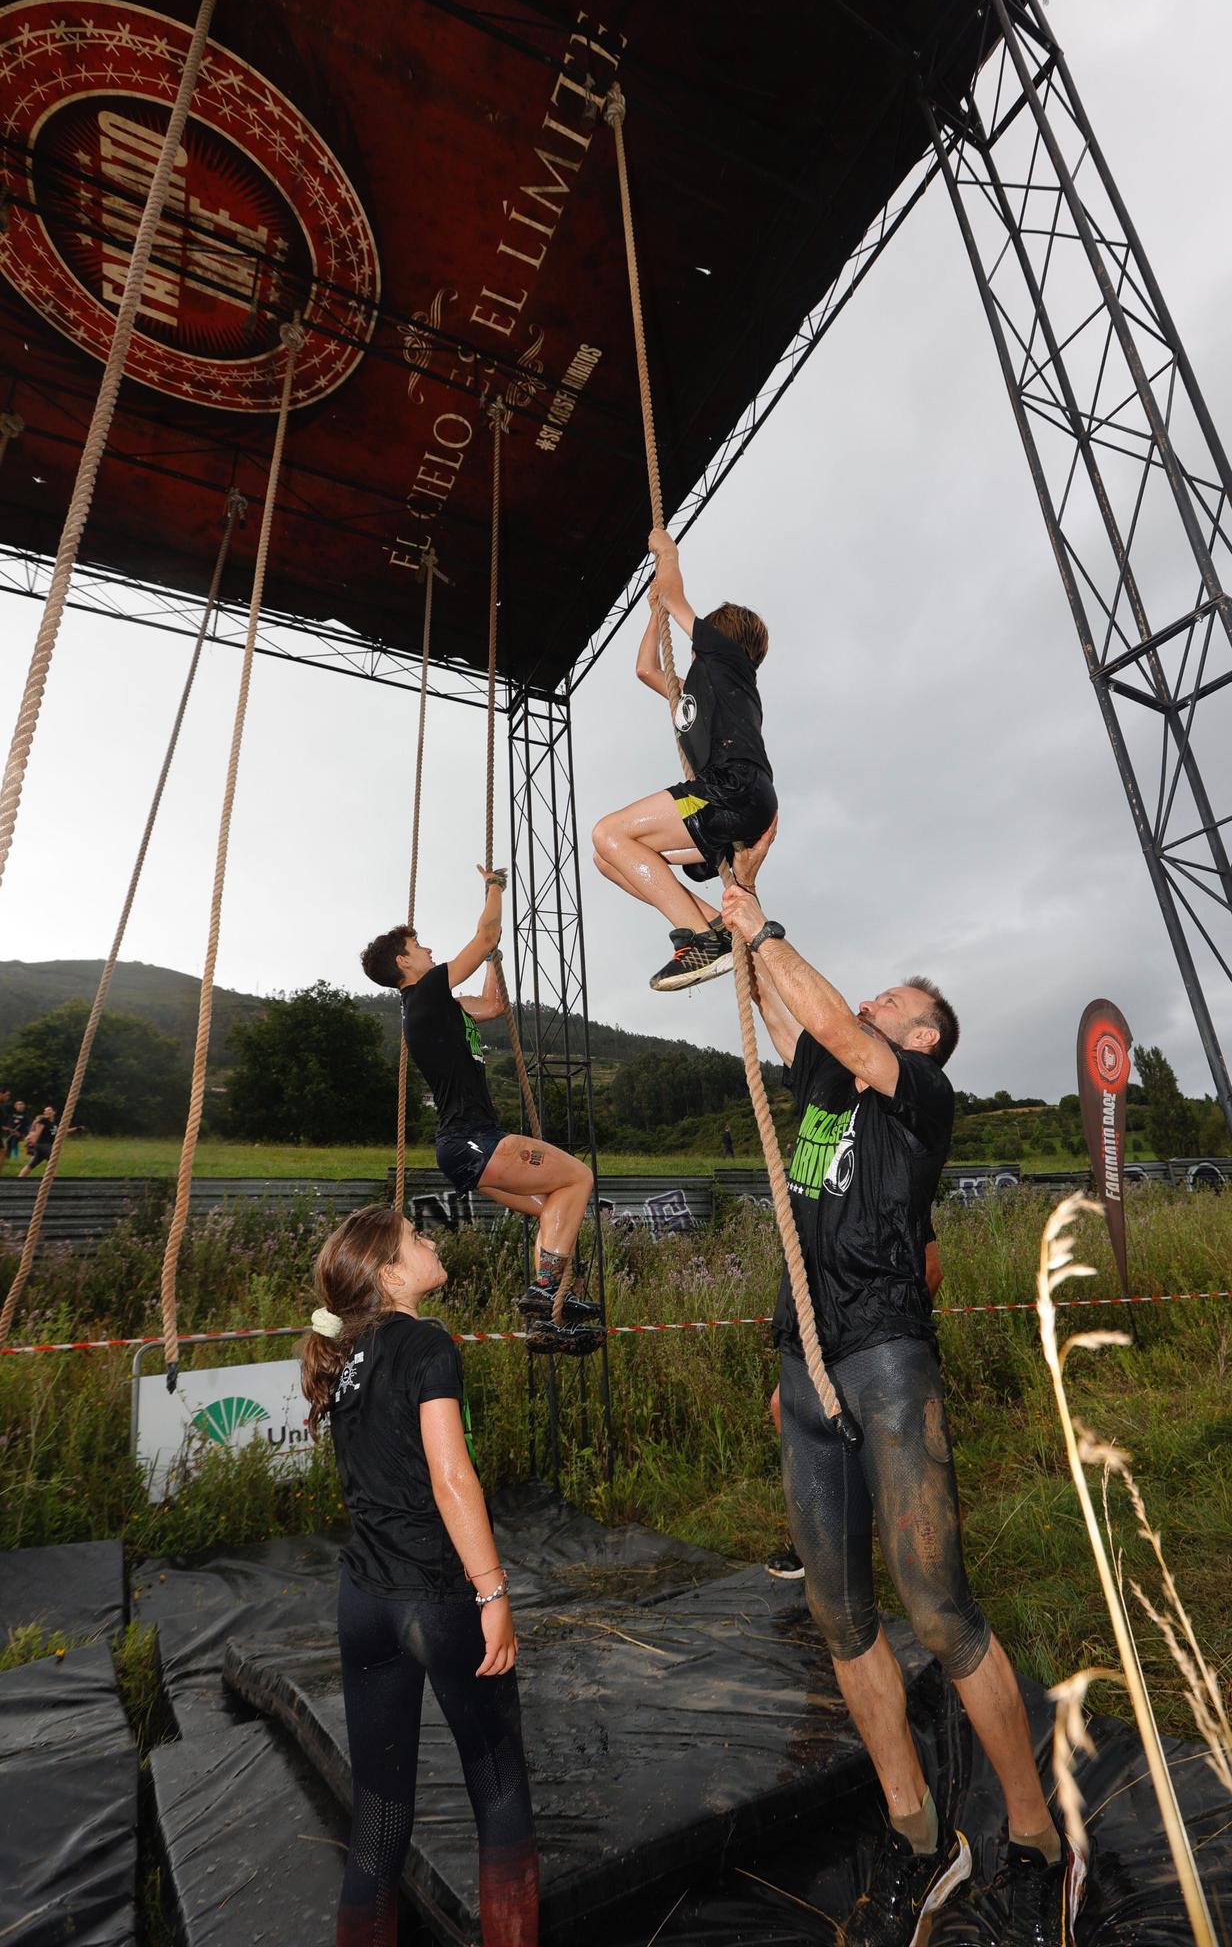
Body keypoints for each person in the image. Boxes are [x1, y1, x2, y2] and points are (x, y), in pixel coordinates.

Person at [720, 838, 1085, 1947]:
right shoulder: (829, 1080)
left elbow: (828, 1014)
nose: (874, 998)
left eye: (895, 998)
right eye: (875, 992)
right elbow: (787, 1013)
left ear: (921, 1035)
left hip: (884, 1355)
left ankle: (1033, 1840)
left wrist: (765, 929)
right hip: (805, 1360)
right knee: (839, 1612)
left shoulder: (921, 1093)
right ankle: (919, 1828)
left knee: (938, 1607)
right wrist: (739, 898)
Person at [301, 1206, 538, 1946]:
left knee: (378, 1812)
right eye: (418, 1237)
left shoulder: (346, 1353)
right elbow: (450, 1476)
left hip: (363, 1602)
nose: (433, 1241)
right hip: (436, 1599)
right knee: (499, 1787)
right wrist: (492, 1590)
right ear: (392, 1272)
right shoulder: (428, 1342)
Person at [361, 867, 600, 1345]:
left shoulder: (439, 1006)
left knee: (555, 1204)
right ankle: (545, 1288)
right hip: (474, 1140)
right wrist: (495, 887)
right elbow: (486, 931)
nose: (428, 950)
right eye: (419, 946)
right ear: (404, 964)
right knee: (578, 1177)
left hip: (465, 1148)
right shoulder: (424, 993)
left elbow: (492, 1006)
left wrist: (494, 961)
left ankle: (549, 1313)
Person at [591, 529, 776, 992]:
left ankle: (694, 938)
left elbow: (675, 594)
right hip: (728, 799)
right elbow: (646, 670)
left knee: (608, 831)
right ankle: (713, 925)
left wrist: (667, 553)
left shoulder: (727, 660)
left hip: (732, 789)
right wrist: (655, 613)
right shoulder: (700, 687)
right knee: (609, 857)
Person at [764, 1224, 943, 1583]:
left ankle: (928, 1563)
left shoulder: (889, 1187)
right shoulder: (828, 1198)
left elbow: (931, 1270)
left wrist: (893, 1331)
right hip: (829, 1339)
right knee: (784, 1406)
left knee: (895, 1449)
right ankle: (814, 1543)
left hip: (876, 1343)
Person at [17, 1105, 56, 1179]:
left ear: (54, 1112)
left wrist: (76, 1129)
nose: (47, 1111)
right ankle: (50, 1180)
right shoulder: (43, 1120)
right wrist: (32, 1143)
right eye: (45, 1110)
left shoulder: (53, 1123)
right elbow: (37, 1132)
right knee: (53, 1163)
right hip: (43, 1145)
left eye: (49, 1110)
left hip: (44, 1145)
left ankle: (20, 1178)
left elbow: (61, 1130)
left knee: (31, 1164)